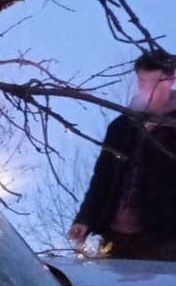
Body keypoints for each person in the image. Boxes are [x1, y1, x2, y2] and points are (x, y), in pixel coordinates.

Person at [68, 50, 176, 261]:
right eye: (142, 81)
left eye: (153, 82)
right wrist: (85, 218)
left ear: (170, 79)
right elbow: (102, 178)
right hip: (115, 236)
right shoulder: (121, 126)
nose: (146, 88)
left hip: (163, 238)